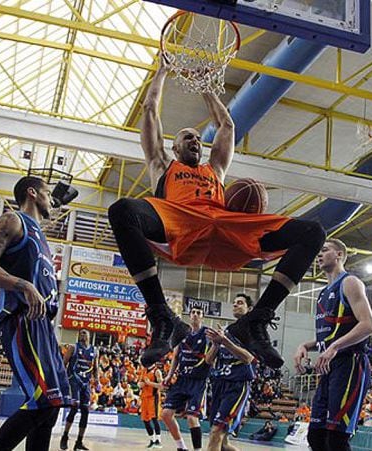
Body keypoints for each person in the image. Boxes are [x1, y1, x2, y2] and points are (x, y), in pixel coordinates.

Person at [107, 56, 325, 369]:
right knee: (123, 210)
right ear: (175, 146)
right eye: (187, 137)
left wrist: (206, 88)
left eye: (197, 137)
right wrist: (162, 72)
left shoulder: (216, 170)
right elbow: (150, 110)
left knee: (312, 232)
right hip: (179, 223)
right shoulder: (162, 164)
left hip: (226, 229)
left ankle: (256, 320)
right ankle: (162, 316)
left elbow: (227, 125)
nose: (195, 140)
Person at [0, 176, 74, 451]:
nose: (52, 199)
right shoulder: (12, 220)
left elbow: (48, 210)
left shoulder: (40, 235)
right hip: (20, 318)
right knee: (43, 399)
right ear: (32, 192)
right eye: (47, 193)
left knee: (53, 406)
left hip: (43, 324)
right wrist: (23, 285)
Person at [292, 239, 372, 451]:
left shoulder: (350, 283)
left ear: (339, 254)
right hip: (330, 367)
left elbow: (368, 325)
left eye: (324, 250)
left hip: (349, 364)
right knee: (316, 437)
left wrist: (335, 347)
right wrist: (305, 345)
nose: (318, 255)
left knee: (336, 439)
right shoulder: (323, 292)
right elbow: (330, 337)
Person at [205, 294, 257, 451]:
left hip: (237, 385)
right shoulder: (226, 331)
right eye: (234, 303)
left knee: (216, 432)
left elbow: (248, 358)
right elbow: (208, 360)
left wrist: (225, 342)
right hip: (219, 384)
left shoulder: (252, 331)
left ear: (249, 309)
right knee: (223, 443)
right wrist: (215, 344)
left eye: (240, 303)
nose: (235, 305)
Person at [161, 307, 210, 451]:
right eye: (193, 312)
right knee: (165, 414)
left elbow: (211, 356)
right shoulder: (183, 334)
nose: (195, 315)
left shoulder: (207, 334)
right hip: (182, 379)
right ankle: (181, 446)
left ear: (202, 317)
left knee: (191, 417)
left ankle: (197, 449)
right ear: (189, 316)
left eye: (198, 313)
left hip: (198, 381)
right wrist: (170, 375)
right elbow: (176, 356)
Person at [60, 329, 99, 451]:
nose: (82, 334)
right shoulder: (73, 347)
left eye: (84, 332)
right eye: (80, 332)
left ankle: (79, 441)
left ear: (89, 335)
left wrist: (97, 380)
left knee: (85, 411)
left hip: (85, 383)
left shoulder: (94, 350)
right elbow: (63, 363)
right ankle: (65, 436)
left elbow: (95, 367)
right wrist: (63, 380)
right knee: (74, 407)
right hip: (74, 380)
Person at [140, 362, 164, 449]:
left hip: (153, 397)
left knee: (154, 418)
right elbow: (140, 382)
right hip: (144, 397)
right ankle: (152, 439)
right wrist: (140, 385)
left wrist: (149, 383)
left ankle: (158, 440)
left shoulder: (157, 371)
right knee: (145, 420)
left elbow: (161, 386)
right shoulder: (144, 370)